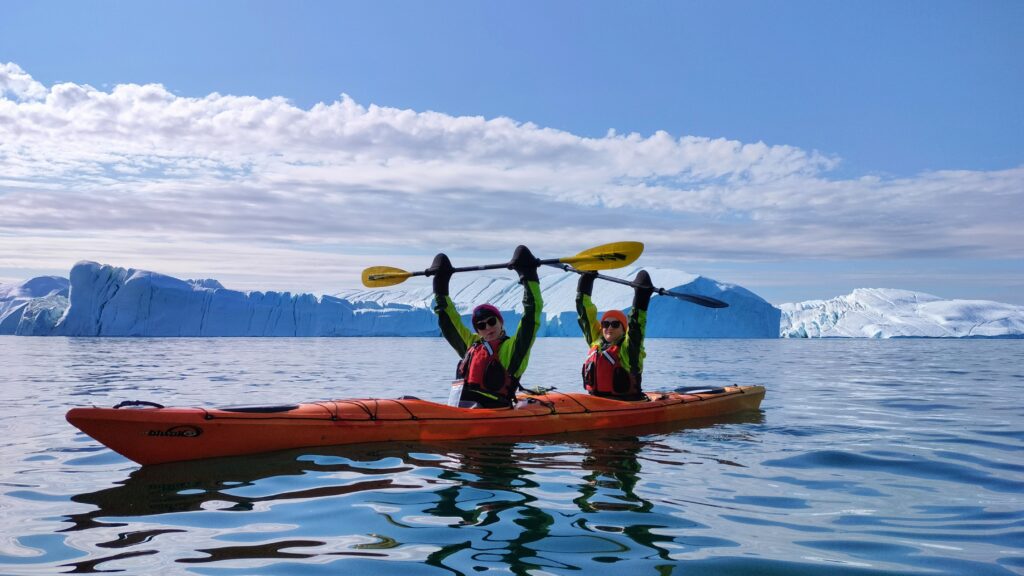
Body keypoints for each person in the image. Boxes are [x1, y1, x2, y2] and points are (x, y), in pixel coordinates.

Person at [428, 245, 543, 408]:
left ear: (501, 322)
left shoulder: (514, 349)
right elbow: (448, 322)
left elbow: (532, 315)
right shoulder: (471, 345)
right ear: (478, 331)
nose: (487, 327)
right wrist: (440, 285)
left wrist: (528, 276)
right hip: (462, 410)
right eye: (481, 326)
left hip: (494, 412)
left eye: (491, 321)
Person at [576, 269, 654, 401]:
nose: (609, 328)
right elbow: (585, 315)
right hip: (595, 401)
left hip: (625, 404)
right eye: (605, 324)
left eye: (615, 324)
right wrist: (585, 284)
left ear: (624, 329)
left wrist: (641, 296)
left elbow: (636, 326)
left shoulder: (628, 350)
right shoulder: (596, 342)